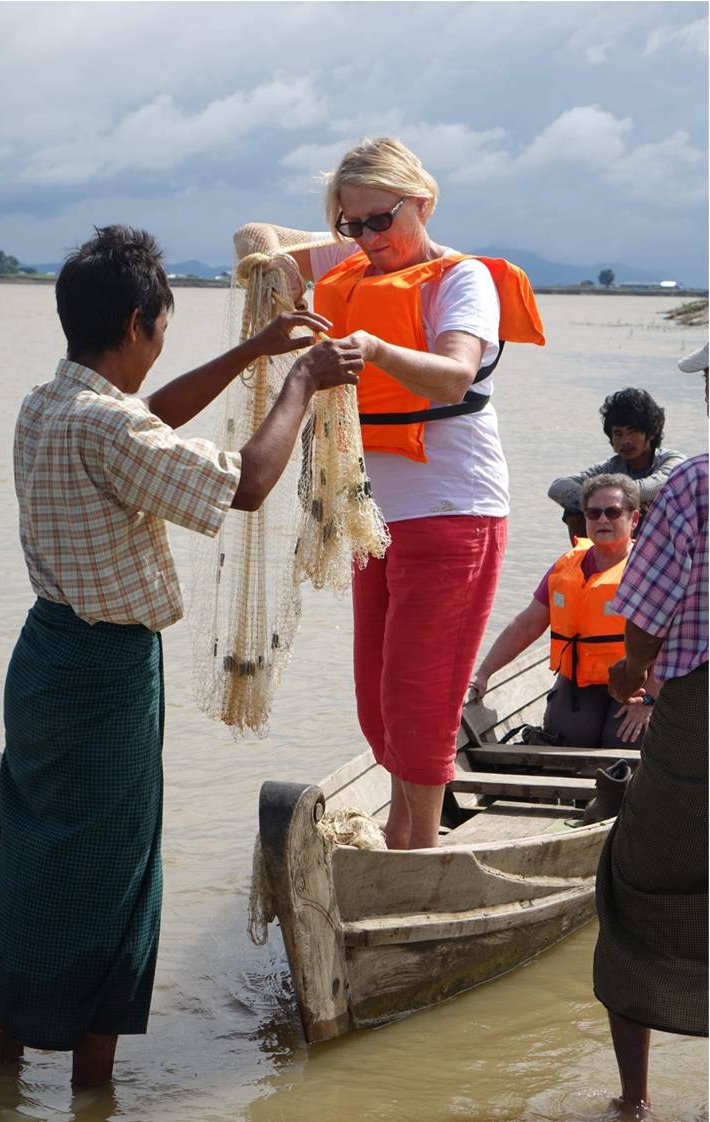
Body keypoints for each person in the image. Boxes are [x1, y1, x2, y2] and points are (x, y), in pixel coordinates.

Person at [0, 225, 364, 1087]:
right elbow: (248, 481)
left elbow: (148, 419)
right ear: (138, 321)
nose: (160, 345)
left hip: (42, 659)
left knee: (38, 852)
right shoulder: (107, 427)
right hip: (106, 672)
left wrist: (251, 350)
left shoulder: (47, 402)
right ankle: (91, 1089)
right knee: (116, 873)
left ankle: (2, 1072)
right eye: (160, 329)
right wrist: (298, 379)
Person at [235, 136, 545, 849]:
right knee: (377, 705)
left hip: (452, 509)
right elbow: (252, 241)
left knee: (417, 695)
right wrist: (287, 262)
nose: (370, 239)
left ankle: (416, 851)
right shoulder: (352, 257)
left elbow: (454, 374)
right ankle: (404, 833)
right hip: (369, 515)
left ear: (423, 203)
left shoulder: (459, 280)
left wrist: (371, 348)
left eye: (383, 220)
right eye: (353, 224)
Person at [593, 340, 708, 1115]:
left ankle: (634, 1102)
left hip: (698, 724)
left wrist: (629, 677)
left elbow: (643, 615)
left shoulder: (697, 482)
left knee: (634, 893)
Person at [469, 474, 653, 752]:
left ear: (634, 519)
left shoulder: (652, 569)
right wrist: (483, 673)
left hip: (637, 682)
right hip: (580, 682)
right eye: (594, 512)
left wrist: (651, 700)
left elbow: (673, 644)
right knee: (568, 741)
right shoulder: (566, 566)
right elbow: (528, 625)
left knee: (623, 744)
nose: (603, 520)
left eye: (613, 512)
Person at [548, 387, 684, 543]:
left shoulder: (672, 460)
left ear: (651, 433)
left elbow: (653, 486)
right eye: (618, 434)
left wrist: (618, 500)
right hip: (616, 545)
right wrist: (601, 501)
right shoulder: (611, 467)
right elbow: (558, 487)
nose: (625, 440)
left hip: (663, 546)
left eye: (632, 432)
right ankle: (588, 558)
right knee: (574, 508)